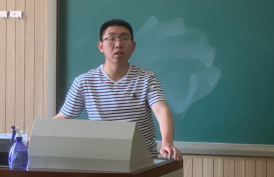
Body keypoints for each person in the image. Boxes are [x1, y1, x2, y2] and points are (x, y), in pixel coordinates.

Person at [54, 19, 183, 161]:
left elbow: (161, 110)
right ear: (101, 46)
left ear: (133, 46)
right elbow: (63, 117)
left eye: (125, 38)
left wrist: (167, 143)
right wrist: (40, 135)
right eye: (111, 38)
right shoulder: (84, 82)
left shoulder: (147, 78)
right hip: (99, 160)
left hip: (142, 160)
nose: (118, 44)